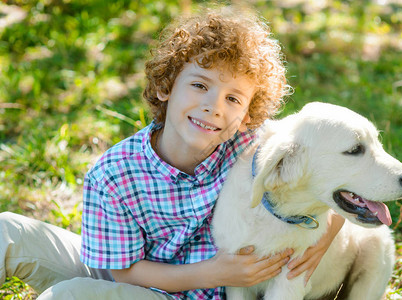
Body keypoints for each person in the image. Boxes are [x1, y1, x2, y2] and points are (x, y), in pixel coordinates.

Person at [0, 5, 345, 299]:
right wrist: (216, 272)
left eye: (233, 99)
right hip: (131, 272)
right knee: (7, 229)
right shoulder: (114, 173)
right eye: (199, 85)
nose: (214, 107)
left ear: (247, 117)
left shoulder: (253, 148)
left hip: (177, 295)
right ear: (167, 87)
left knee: (69, 295)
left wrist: (318, 245)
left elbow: (334, 174)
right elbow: (123, 274)